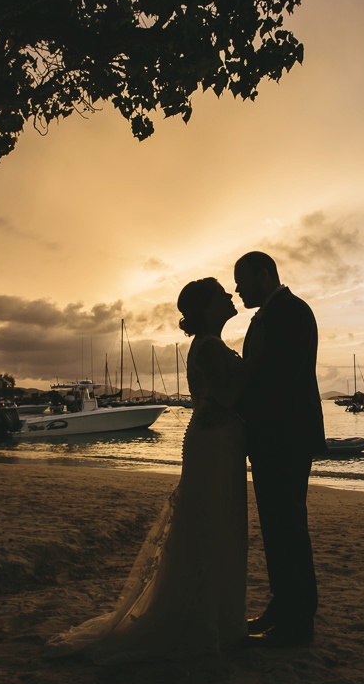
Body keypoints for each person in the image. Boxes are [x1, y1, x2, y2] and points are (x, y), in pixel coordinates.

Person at [47, 278, 247, 663]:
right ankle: (204, 620)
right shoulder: (207, 347)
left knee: (217, 525)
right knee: (210, 525)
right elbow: (224, 397)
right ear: (207, 307)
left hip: (219, 441)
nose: (230, 296)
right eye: (222, 293)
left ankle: (217, 616)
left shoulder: (211, 346)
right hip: (214, 443)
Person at [234, 251, 324, 647]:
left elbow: (278, 378)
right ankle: (283, 604)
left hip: (284, 435)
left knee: (287, 524)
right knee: (276, 525)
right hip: (272, 435)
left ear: (264, 274)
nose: (237, 289)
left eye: (242, 280)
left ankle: (297, 618)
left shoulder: (292, 312)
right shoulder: (275, 313)